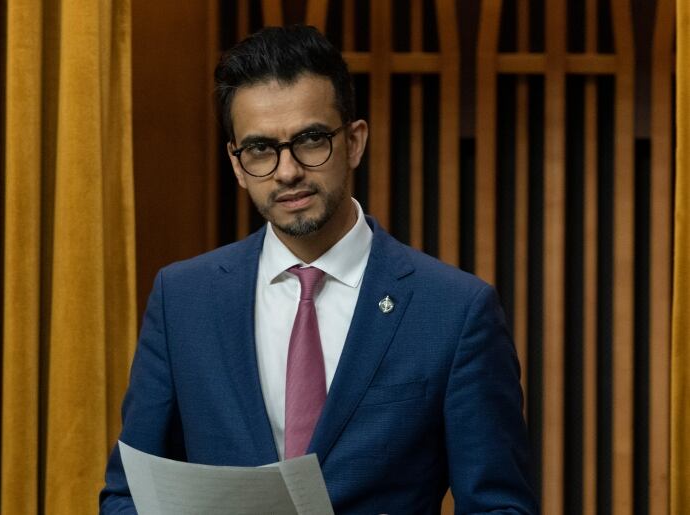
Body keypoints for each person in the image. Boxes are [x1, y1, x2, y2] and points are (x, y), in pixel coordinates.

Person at [100, 25, 537, 514]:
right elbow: (127, 496)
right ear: (237, 165)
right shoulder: (183, 299)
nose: (287, 171)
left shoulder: (455, 312)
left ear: (353, 141)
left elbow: (500, 507)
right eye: (260, 149)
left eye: (310, 140)